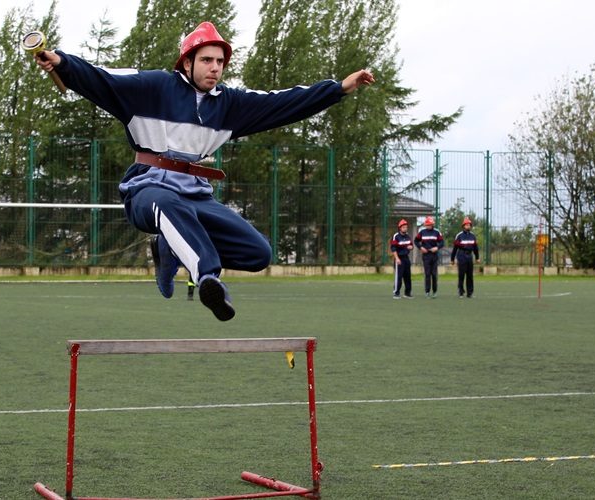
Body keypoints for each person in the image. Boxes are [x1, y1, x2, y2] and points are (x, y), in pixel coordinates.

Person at [34, 21, 374, 321]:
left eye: (220, 62)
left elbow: (283, 102)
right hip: (147, 191)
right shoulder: (152, 87)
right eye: (207, 60)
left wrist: (337, 89)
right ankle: (208, 279)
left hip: (195, 195)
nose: (215, 68)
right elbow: (102, 78)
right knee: (168, 204)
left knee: (258, 253)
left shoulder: (229, 105)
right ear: (187, 62)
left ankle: (170, 247)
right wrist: (63, 63)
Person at [414, 216, 444, 298]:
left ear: (432, 224)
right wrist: (421, 247)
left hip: (434, 255)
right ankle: (427, 291)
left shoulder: (437, 232)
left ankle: (434, 291)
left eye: (430, 225)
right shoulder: (422, 232)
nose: (428, 226)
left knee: (434, 274)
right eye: (427, 225)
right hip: (426, 256)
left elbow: (442, 242)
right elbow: (416, 241)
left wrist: (437, 248)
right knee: (427, 274)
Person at [451, 216, 480, 298]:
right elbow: (455, 248)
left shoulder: (473, 236)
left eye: (469, 225)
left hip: (469, 256)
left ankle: (470, 293)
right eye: (466, 225)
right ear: (463, 226)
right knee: (461, 275)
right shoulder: (459, 235)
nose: (468, 226)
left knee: (470, 275)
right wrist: (452, 259)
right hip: (461, 256)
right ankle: (461, 292)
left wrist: (477, 257)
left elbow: (475, 248)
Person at [390, 219, 413, 299]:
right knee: (398, 277)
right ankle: (396, 293)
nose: (405, 228)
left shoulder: (408, 236)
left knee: (407, 276)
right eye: (403, 227)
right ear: (400, 228)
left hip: (406, 258)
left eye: (406, 227)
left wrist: (411, 247)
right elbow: (393, 248)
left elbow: (411, 245)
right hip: (399, 258)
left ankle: (407, 293)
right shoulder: (396, 236)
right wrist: (397, 258)